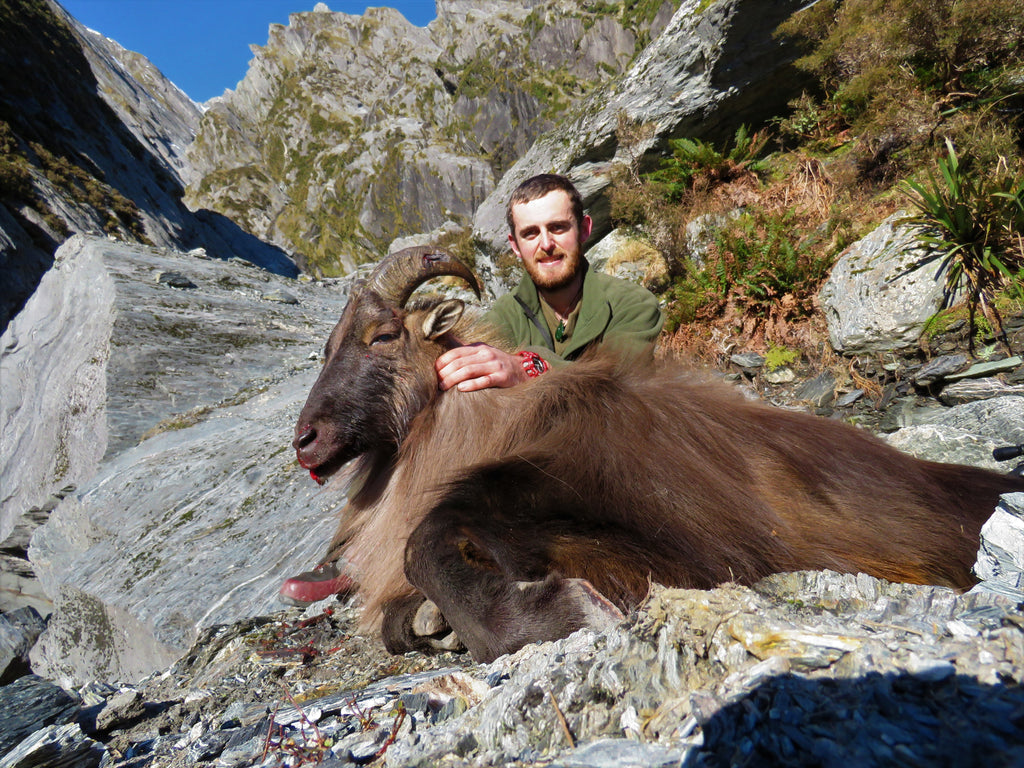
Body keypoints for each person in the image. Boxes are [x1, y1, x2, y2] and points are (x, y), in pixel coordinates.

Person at [278, 173, 664, 605]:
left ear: (585, 230)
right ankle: (352, 550)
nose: (546, 244)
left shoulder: (632, 305)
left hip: (604, 457)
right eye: (531, 233)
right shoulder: (500, 318)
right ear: (515, 245)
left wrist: (527, 366)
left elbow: (625, 384)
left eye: (558, 228)